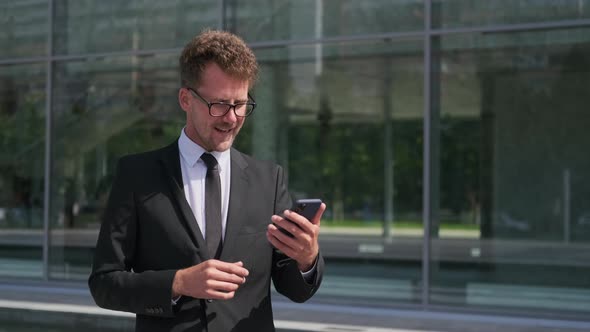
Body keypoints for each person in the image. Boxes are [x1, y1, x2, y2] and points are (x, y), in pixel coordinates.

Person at [88, 30, 326, 331]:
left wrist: (307, 259)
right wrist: (178, 282)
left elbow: (295, 289)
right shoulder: (137, 176)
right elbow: (103, 283)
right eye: (219, 104)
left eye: (241, 104)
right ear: (186, 99)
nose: (231, 118)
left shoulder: (269, 180)